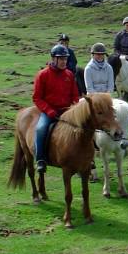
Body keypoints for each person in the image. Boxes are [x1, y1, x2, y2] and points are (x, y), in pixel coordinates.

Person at [33, 44, 80, 173]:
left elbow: (75, 95)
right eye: (61, 59)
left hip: (67, 111)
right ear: (53, 59)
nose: (64, 61)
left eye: (66, 59)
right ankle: (40, 159)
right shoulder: (42, 75)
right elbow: (37, 98)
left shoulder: (69, 75)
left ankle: (86, 158)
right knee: (41, 129)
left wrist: (73, 109)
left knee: (84, 126)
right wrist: (49, 111)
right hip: (50, 112)